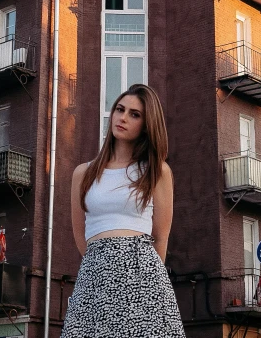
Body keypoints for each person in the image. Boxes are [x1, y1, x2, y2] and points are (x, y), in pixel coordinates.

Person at [61, 84, 186, 337]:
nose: (123, 117)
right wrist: (104, 265)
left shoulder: (157, 171)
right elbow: (79, 233)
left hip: (142, 273)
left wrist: (143, 280)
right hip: (94, 275)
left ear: (147, 124)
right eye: (120, 109)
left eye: (134, 114)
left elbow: (161, 237)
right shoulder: (83, 173)